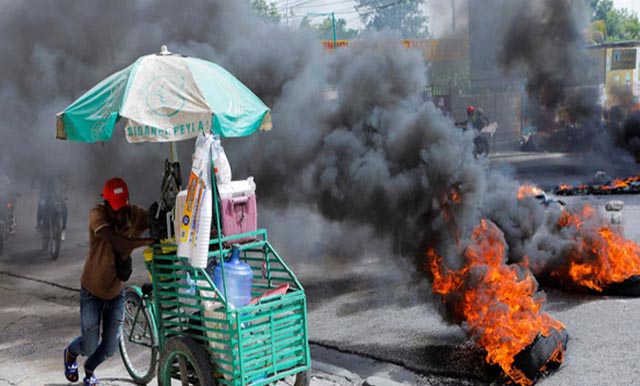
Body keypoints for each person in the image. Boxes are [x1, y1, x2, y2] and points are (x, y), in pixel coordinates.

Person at [62, 177, 154, 386]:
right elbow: (118, 242)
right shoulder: (97, 214)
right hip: (91, 292)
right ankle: (70, 352)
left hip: (116, 293)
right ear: (106, 205)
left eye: (123, 209)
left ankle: (89, 369)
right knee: (89, 346)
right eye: (116, 210)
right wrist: (147, 241)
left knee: (110, 348)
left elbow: (153, 220)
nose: (120, 215)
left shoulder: (134, 215)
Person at [33, 173, 69, 240]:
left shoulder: (60, 179)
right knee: (40, 206)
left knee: (65, 209)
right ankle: (39, 226)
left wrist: (64, 198)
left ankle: (63, 230)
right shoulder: (43, 176)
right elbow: (36, 183)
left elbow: (64, 188)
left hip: (57, 201)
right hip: (46, 199)